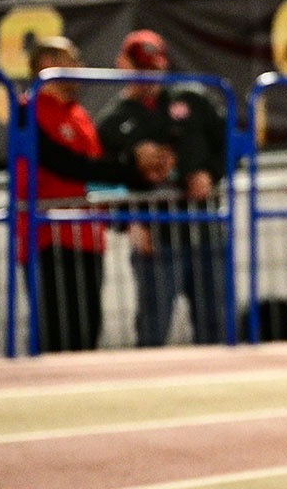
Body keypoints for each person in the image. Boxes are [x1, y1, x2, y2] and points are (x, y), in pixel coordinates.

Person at [19, 37, 174, 353]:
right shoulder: (27, 111)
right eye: (72, 59)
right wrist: (133, 164)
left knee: (88, 329)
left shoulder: (78, 115)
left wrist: (142, 169)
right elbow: (67, 165)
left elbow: (99, 171)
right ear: (47, 63)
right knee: (57, 331)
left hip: (88, 235)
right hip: (49, 238)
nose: (79, 68)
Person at [97, 31, 230, 347]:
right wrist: (127, 223)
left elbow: (232, 144)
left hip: (205, 231)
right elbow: (100, 181)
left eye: (154, 67)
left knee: (217, 326)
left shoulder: (193, 100)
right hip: (155, 238)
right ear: (123, 65)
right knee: (153, 328)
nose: (149, 76)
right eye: (140, 67)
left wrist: (209, 174)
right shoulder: (111, 122)